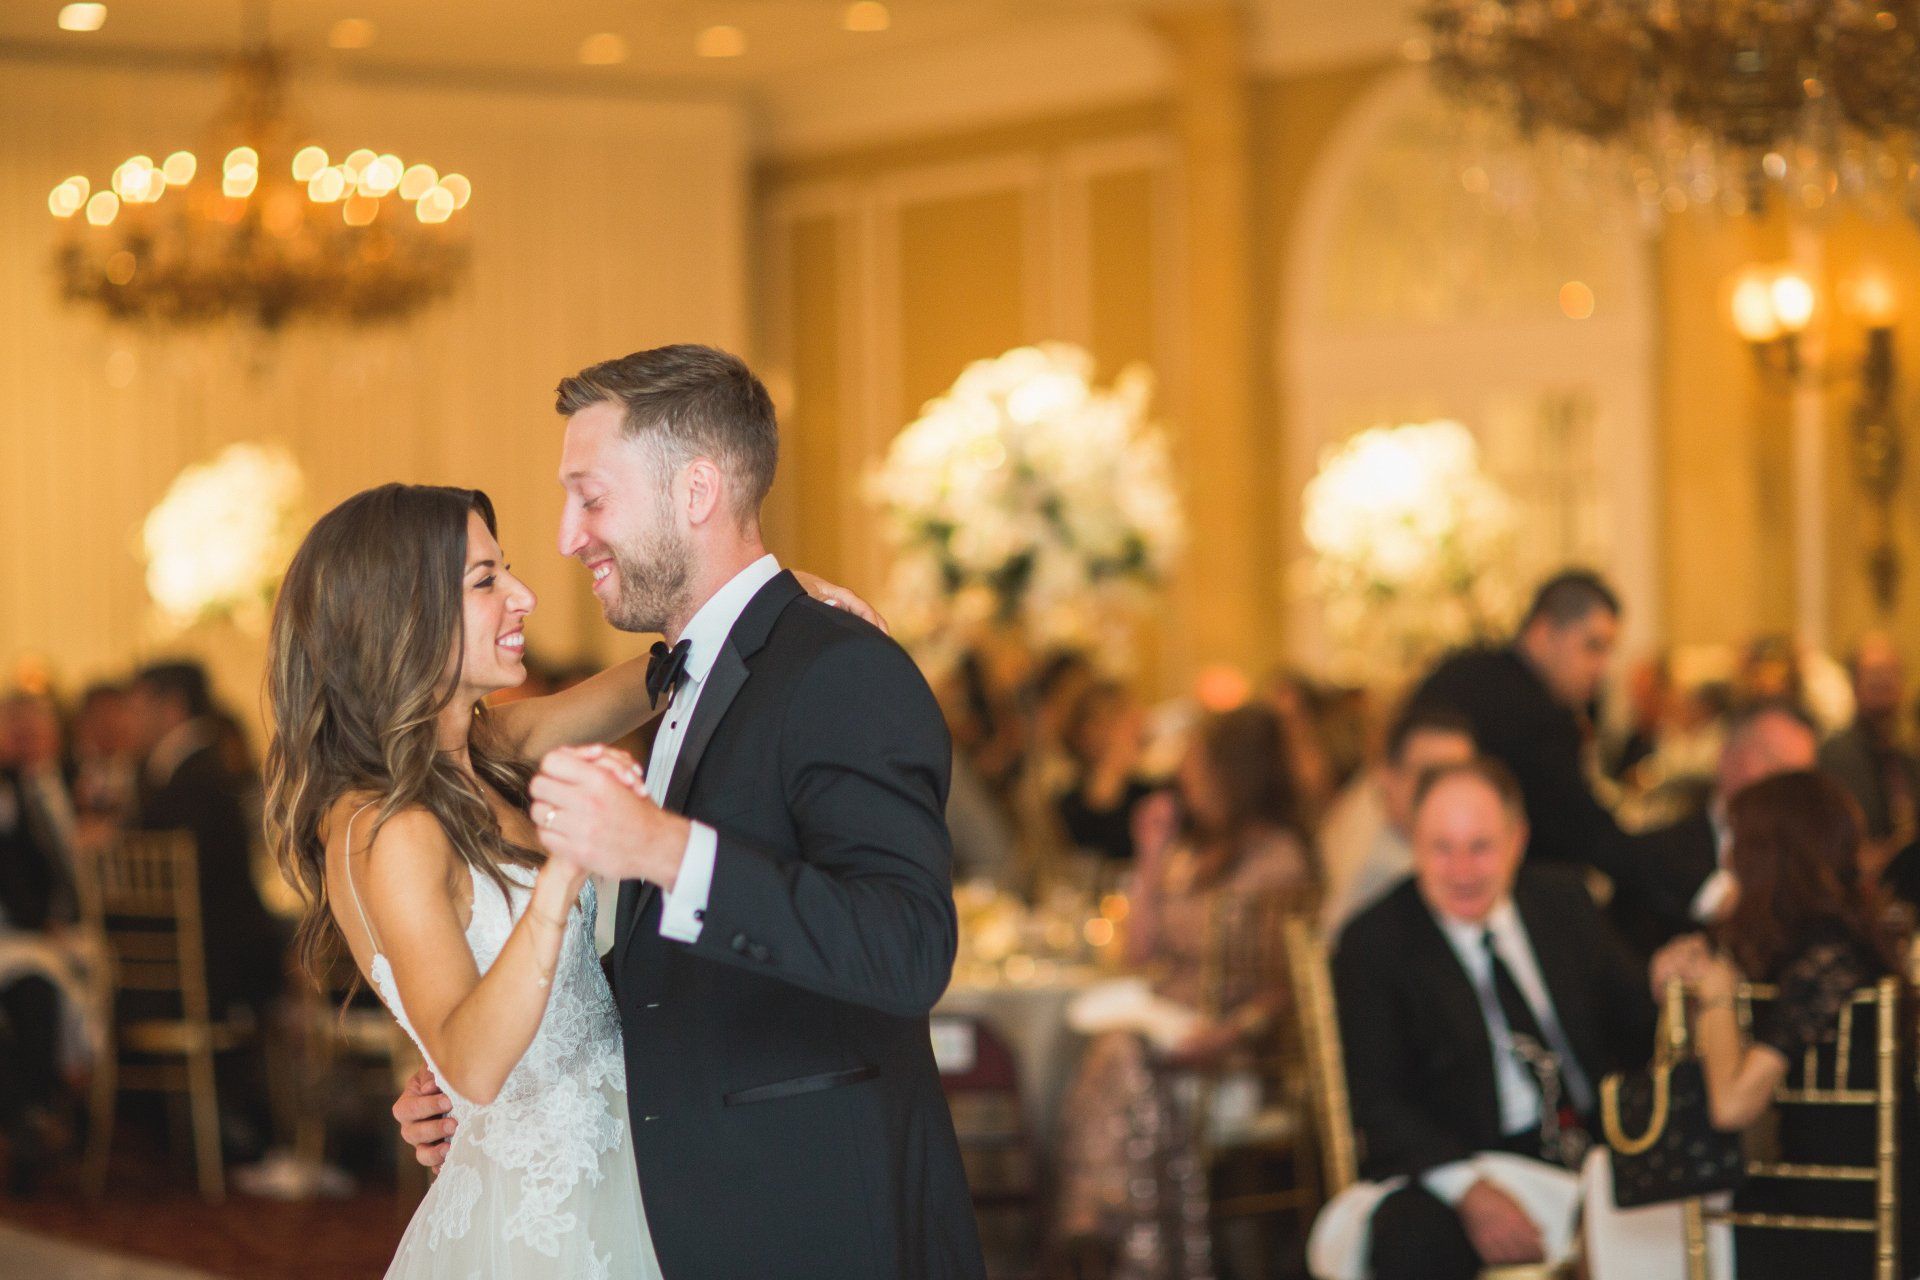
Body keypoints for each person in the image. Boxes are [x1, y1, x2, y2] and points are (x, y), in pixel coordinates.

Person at [396, 345, 986, 1279]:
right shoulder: (688, 680)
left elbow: (908, 950)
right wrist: (493, 1093)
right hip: (693, 1217)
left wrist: (667, 850)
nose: (565, 536)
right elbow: (683, 976)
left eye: (591, 498)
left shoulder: (841, 669)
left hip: (822, 1224)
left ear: (697, 491)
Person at [267, 480, 882, 1276]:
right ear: (400, 614)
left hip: (627, 1151)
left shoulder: (491, 748)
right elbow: (472, 1063)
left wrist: (778, 602)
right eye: (485, 582)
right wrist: (565, 871)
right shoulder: (390, 826)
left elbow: (662, 673)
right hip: (537, 1221)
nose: (521, 596)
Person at [1316, 759, 1654, 1280]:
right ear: (1413, 844)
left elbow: (1638, 1022)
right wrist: (1468, 1189)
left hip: (1586, 1145)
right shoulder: (1375, 943)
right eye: (1441, 848)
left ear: (1517, 841)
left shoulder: (1562, 901)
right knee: (1408, 1237)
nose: (1462, 870)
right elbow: (1374, 1097)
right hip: (1458, 1153)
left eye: (1481, 847)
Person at [1054, 704, 1316, 1280]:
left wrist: (1227, 1034)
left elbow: (1286, 988)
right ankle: (1120, 1243)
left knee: (1119, 1056)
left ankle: (1107, 1241)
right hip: (1167, 1031)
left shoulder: (1279, 862)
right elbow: (1138, 953)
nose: (1184, 782)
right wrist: (1149, 854)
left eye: (1198, 768)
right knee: (1115, 1052)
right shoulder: (1195, 852)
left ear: (1234, 774)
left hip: (1231, 1052)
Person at [1642, 771, 1914, 1279]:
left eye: (1735, 841)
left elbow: (1732, 1104)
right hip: (1803, 1198)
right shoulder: (1796, 944)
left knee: (1642, 1218)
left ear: (1767, 854)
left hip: (1839, 1218)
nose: (1724, 859)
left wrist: (1718, 995)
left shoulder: (1828, 955)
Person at [1409, 569, 1659, 895]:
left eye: (1608, 651)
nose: (1602, 668)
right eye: (1593, 646)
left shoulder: (1467, 672)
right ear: (1543, 634)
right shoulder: (1533, 712)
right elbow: (1584, 831)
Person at [128, 661, 285, 1025]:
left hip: (207, 967)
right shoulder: (204, 768)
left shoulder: (189, 781)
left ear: (171, 708)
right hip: (233, 954)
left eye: (137, 710)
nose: (129, 723)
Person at [1608, 700, 1818, 962]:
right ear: (1726, 755)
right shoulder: (1655, 857)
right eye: (1771, 761)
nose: (1781, 787)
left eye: (1799, 777)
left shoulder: (1811, 867)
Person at [1316, 700, 1475, 936]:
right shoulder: (1389, 875)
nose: (1448, 791)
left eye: (1462, 776)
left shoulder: (1371, 814)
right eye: (1430, 776)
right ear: (1387, 779)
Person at [1818, 630, 1917, 848]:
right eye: (1874, 673)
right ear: (1854, 684)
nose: (1883, 681)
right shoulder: (1835, 756)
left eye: (1890, 672)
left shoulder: (1907, 758)